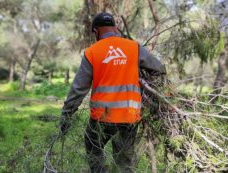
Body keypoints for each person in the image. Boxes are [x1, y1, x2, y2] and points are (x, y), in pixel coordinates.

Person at [60, 12, 166, 173]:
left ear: (96, 31)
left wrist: (66, 115)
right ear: (115, 29)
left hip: (102, 117)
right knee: (124, 163)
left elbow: (78, 89)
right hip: (129, 116)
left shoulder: (92, 52)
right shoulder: (133, 47)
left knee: (93, 147)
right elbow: (159, 69)